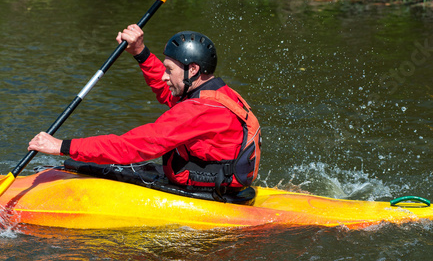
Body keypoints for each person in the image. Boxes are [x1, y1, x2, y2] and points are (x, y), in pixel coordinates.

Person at [28, 24, 261, 201]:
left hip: (209, 189)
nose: (164, 75)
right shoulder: (219, 93)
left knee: (97, 162)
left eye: (169, 69)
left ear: (193, 69)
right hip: (222, 181)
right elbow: (169, 93)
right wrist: (140, 52)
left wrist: (61, 146)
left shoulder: (197, 111)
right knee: (87, 164)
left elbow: (131, 148)